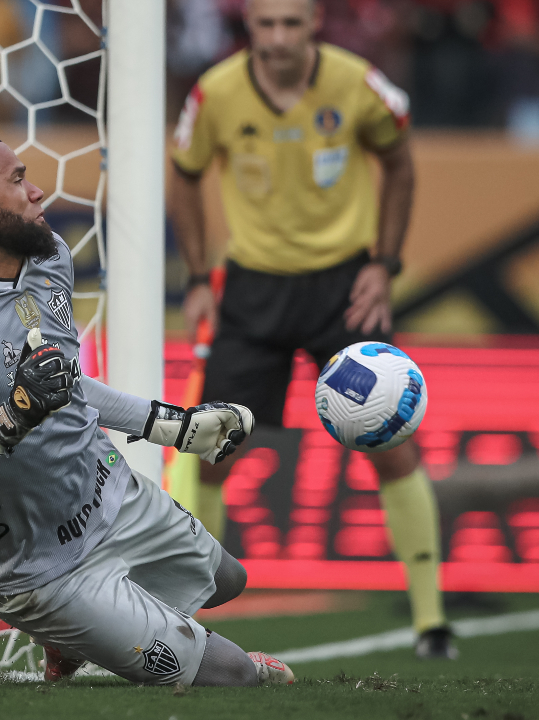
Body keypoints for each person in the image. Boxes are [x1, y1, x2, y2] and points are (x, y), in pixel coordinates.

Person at [0, 135, 295, 687]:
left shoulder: (48, 254)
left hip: (112, 496)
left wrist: (174, 425)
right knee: (236, 677)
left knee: (230, 580)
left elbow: (64, 384)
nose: (36, 192)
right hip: (37, 570)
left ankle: (79, 635)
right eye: (16, 180)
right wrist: (11, 420)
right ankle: (72, 626)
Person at [168, 0, 454, 659]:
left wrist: (384, 265)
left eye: (290, 24)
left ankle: (431, 621)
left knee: (394, 441)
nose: (277, 38)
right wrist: (195, 277)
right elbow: (184, 178)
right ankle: (179, 609)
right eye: (265, 25)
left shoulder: (358, 84)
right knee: (211, 448)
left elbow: (400, 161)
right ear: (251, 27)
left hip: (342, 290)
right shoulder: (216, 93)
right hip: (252, 289)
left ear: (314, 25)